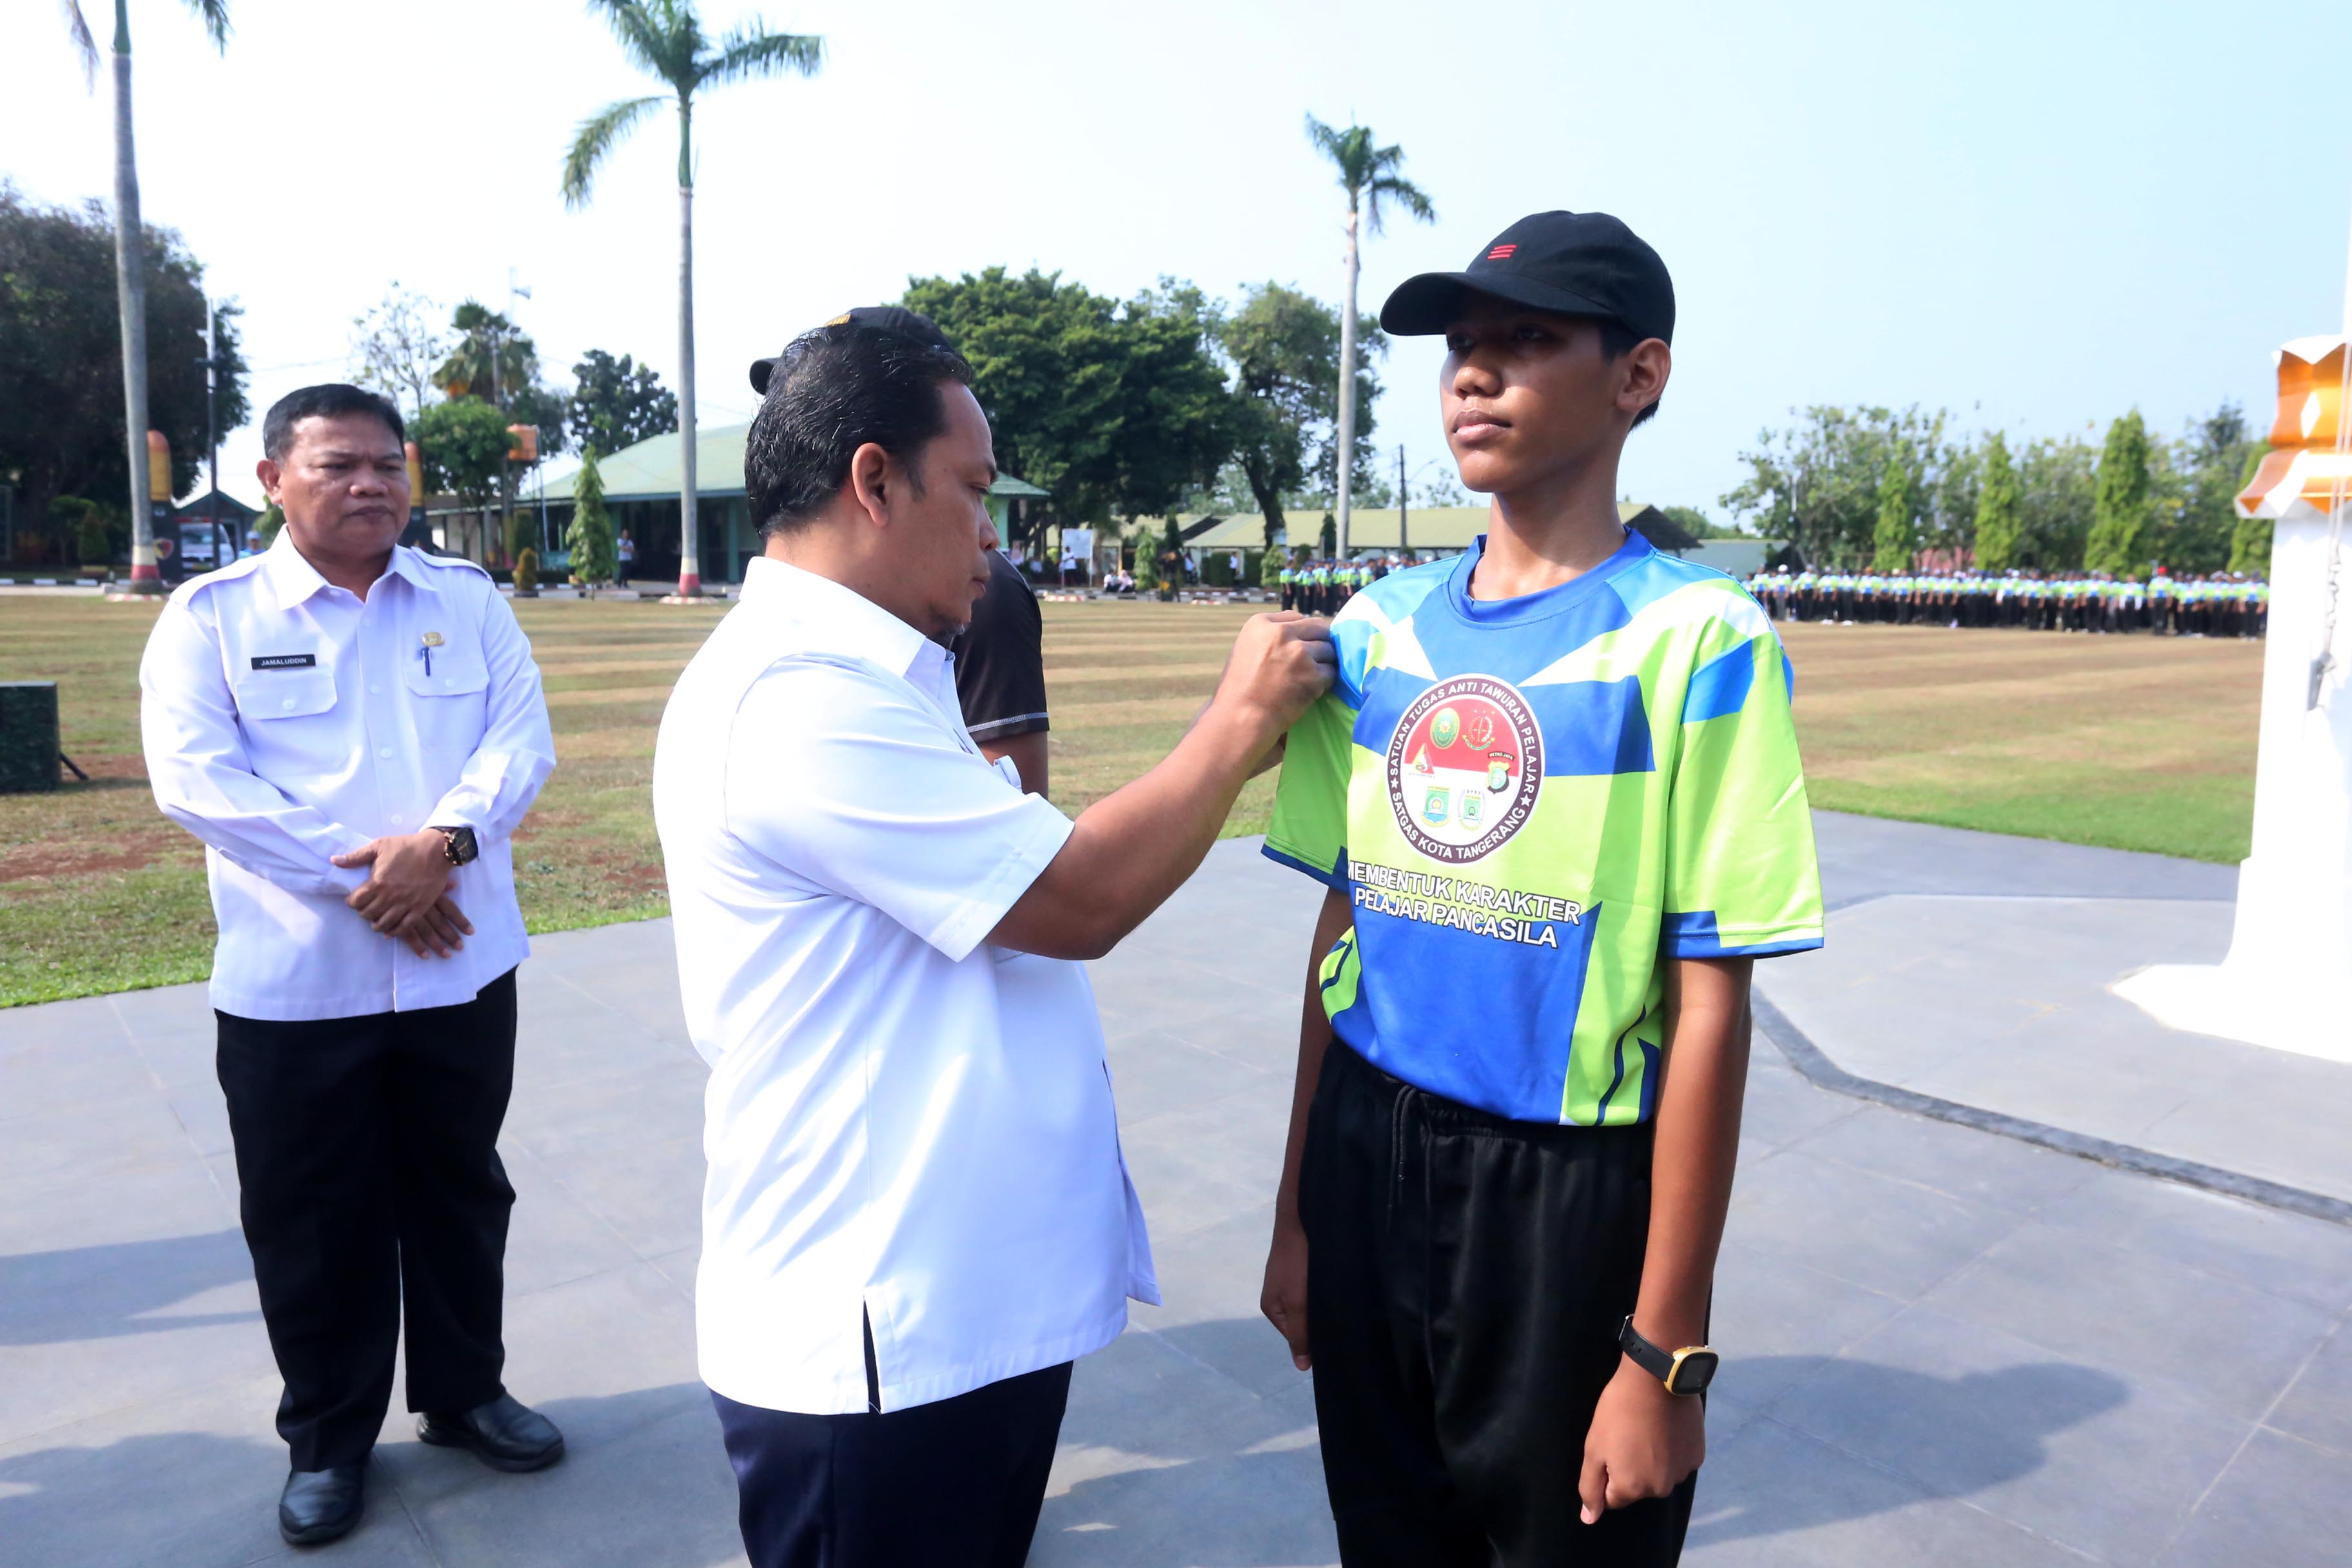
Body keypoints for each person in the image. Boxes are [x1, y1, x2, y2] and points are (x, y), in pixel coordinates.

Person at [655, 309, 1333, 1568]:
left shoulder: (875, 676)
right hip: (876, 1346)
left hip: (949, 1315)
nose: (990, 533)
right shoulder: (796, 698)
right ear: (873, 479)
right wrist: (1237, 724)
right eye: (971, 491)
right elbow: (1076, 899)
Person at [1255, 213, 1825, 1566]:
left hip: (1564, 1196)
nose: (1474, 374)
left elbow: (1709, 1011)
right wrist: (1297, 1217)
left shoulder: (1700, 644)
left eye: (1526, 340)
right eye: (1462, 348)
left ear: (1638, 377)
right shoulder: (1376, 633)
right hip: (1368, 1156)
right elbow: (1344, 936)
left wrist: (1666, 1350)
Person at [139, 385, 563, 1547]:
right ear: (274, 478)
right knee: (311, 1218)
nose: (370, 483)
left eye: (386, 464)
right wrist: (376, 885)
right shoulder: (211, 617)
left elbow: (519, 743)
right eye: (337, 465)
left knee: (461, 1190)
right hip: (296, 985)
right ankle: (327, 1442)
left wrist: (445, 847)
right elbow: (197, 781)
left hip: (460, 970)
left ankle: (467, 1393)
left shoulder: (466, 603)